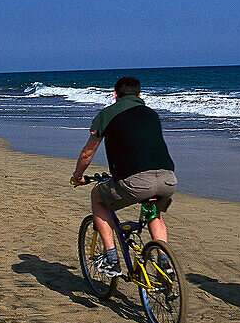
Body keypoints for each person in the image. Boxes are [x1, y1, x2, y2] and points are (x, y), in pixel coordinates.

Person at [70, 76, 177, 277]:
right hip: (167, 179)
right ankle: (164, 259)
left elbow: (87, 153)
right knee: (153, 211)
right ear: (139, 95)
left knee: (97, 197)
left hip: (136, 181)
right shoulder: (151, 114)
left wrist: (77, 176)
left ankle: (111, 259)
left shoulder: (107, 114)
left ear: (115, 95)